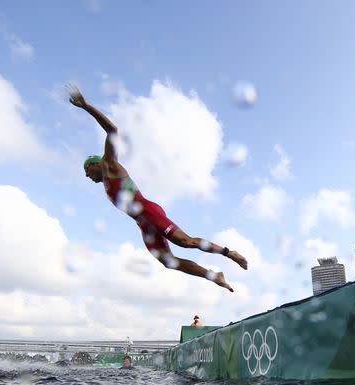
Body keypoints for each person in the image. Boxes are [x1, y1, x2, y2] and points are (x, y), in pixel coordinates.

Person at [68, 85, 248, 292]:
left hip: (149, 211)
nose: (86, 175)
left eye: (86, 169)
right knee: (168, 261)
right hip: (143, 224)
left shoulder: (109, 165)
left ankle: (229, 253)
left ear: (95, 163)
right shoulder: (106, 184)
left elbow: (113, 131)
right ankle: (214, 275)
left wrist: (85, 106)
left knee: (185, 242)